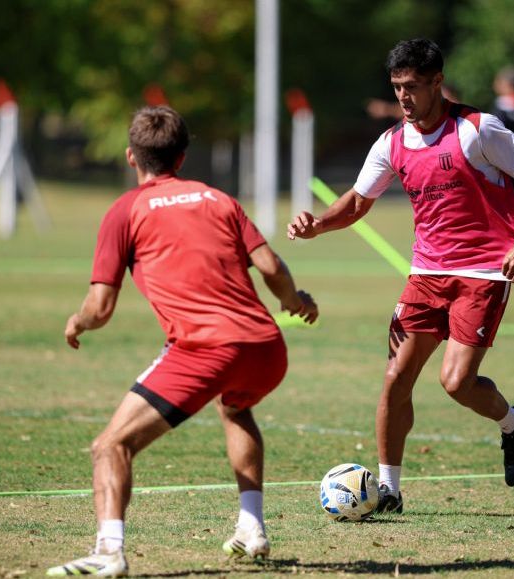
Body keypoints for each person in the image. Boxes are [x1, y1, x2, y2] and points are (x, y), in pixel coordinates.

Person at [48, 105, 318, 576]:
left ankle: (109, 551)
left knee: (110, 446)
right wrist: (295, 301)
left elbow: (101, 307)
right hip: (265, 347)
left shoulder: (125, 210)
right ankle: (251, 526)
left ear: (131, 157)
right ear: (183, 155)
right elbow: (272, 266)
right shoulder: (219, 199)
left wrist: (77, 322)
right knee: (235, 407)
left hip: (206, 349)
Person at [288, 39, 514, 514]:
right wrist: (319, 225)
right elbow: (359, 201)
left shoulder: (476, 129)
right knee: (395, 377)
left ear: (436, 83)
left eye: (411, 87)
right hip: (426, 273)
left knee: (456, 383)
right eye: (396, 87)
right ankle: (388, 491)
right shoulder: (392, 142)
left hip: (483, 272)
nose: (404, 97)